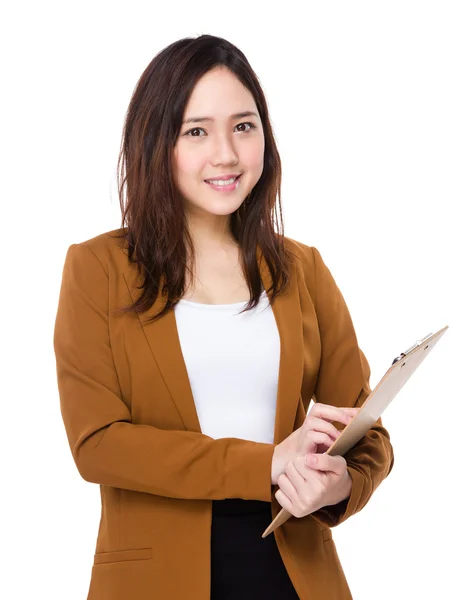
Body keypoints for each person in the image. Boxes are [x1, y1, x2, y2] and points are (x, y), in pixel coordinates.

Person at [53, 34, 394, 600]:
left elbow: (363, 432)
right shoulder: (97, 268)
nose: (227, 154)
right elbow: (98, 444)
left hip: (293, 573)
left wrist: (337, 486)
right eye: (196, 131)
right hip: (154, 579)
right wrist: (266, 463)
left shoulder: (302, 269)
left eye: (243, 125)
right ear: (155, 143)